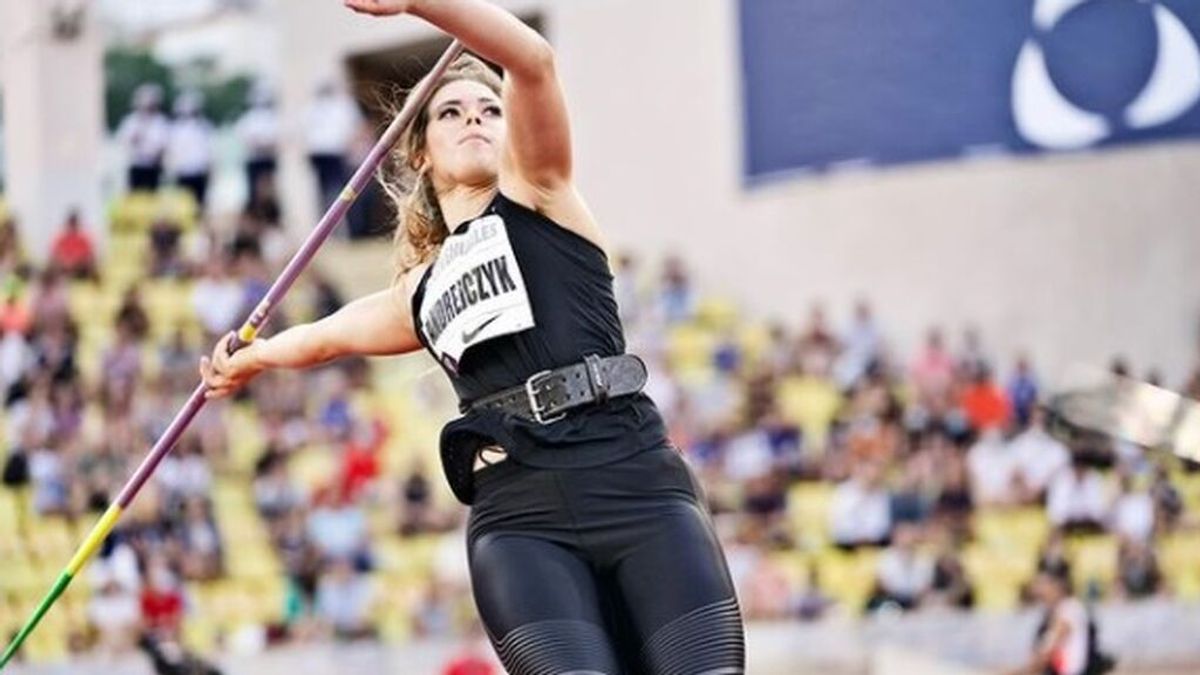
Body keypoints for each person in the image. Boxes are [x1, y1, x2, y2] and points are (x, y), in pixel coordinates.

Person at [200, 1, 745, 672]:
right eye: (451, 112)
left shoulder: (542, 194)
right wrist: (248, 357)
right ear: (421, 153)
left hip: (632, 478)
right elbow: (322, 337)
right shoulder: (416, 291)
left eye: (488, 109)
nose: (475, 120)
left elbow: (533, 59)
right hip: (521, 516)